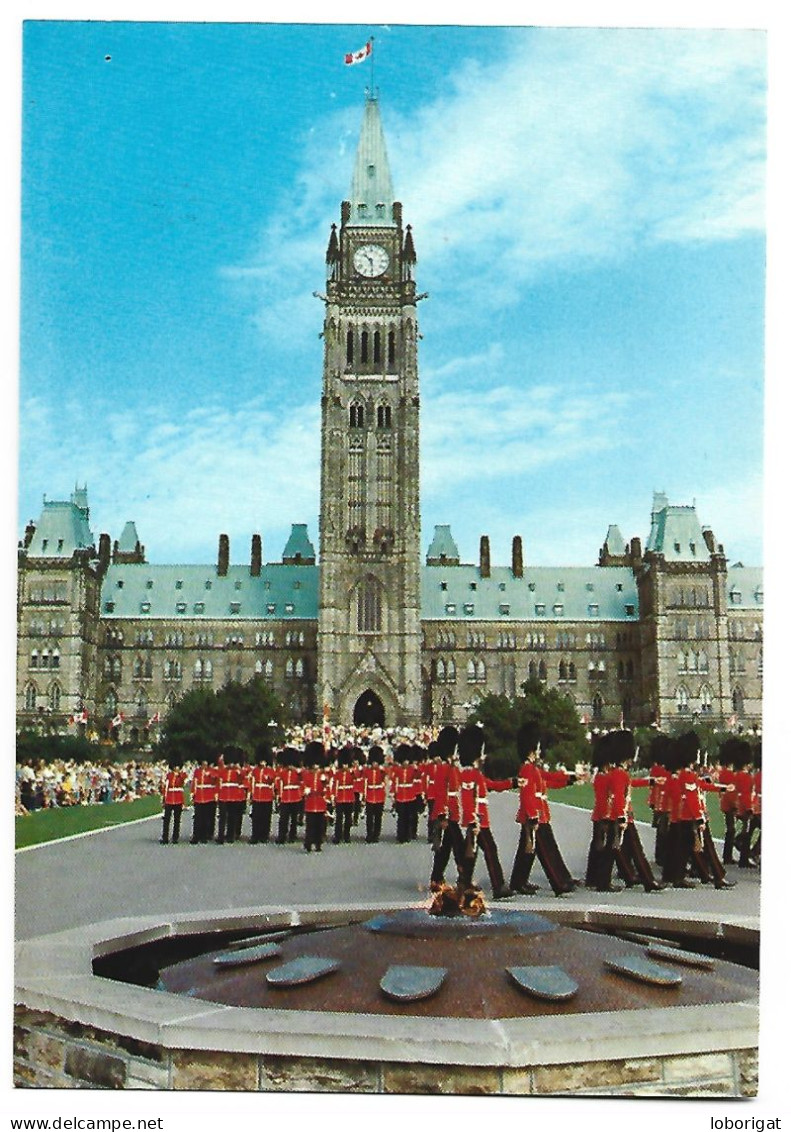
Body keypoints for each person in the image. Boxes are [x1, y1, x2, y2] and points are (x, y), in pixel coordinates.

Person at [509, 721, 577, 896]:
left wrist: (570, 779)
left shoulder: (533, 768)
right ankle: (559, 882)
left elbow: (549, 779)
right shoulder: (526, 769)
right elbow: (527, 795)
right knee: (548, 851)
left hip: (538, 813)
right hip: (535, 815)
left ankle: (518, 882)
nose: (539, 751)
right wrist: (533, 816)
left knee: (527, 851)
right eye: (537, 747)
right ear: (531, 749)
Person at [456, 724, 515, 898]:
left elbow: (492, 785)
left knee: (471, 854)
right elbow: (468, 801)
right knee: (490, 849)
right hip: (478, 820)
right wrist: (473, 821)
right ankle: (499, 886)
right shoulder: (469, 774)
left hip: (479, 819)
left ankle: (463, 884)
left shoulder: (477, 774)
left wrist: (512, 783)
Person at [302, 740, 330, 852]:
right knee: (310, 824)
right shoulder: (307, 774)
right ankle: (308, 842)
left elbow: (327, 787)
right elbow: (303, 785)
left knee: (320, 824)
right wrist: (305, 790)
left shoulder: (323, 775)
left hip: (320, 801)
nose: (315, 766)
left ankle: (318, 843)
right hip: (310, 801)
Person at [249, 742, 276, 844]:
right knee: (256, 817)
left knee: (266, 817)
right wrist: (251, 794)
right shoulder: (255, 770)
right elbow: (252, 782)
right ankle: (255, 835)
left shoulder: (270, 771)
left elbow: (272, 782)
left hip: (267, 795)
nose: (262, 762)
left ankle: (264, 835)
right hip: (257, 795)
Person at [190, 754, 218, 844]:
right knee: (198, 817)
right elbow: (195, 782)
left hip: (209, 795)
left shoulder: (212, 771)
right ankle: (196, 835)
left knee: (207, 817)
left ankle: (205, 835)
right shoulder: (197, 771)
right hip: (199, 795)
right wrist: (192, 793)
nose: (204, 764)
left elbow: (216, 780)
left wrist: (210, 774)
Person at [362, 744, 387, 843]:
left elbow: (385, 782)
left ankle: (376, 834)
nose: (374, 764)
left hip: (379, 794)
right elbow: (365, 783)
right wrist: (364, 795)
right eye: (373, 762)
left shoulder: (382, 771)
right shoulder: (367, 770)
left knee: (378, 817)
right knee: (369, 817)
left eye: (376, 762)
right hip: (369, 794)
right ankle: (369, 834)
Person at [160, 758, 187, 845]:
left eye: (178, 766)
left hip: (178, 798)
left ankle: (175, 837)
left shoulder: (182, 775)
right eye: (175, 766)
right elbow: (166, 787)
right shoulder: (169, 775)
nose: (177, 768)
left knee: (177, 820)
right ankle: (165, 837)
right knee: (166, 819)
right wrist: (164, 799)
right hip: (169, 798)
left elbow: (183, 781)